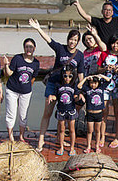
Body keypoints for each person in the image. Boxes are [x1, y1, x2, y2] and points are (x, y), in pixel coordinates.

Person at [29, 18, 84, 152]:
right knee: (47, 113)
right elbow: (49, 40)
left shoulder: (80, 55)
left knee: (64, 114)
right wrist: (38, 28)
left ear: (78, 42)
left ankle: (61, 140)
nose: (72, 42)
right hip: (54, 84)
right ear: (68, 39)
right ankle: (41, 141)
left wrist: (81, 90)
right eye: (71, 39)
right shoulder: (60, 49)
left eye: (75, 40)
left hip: (69, 88)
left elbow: (81, 75)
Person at [3, 38, 40, 143]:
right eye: (27, 46)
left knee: (23, 115)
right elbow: (8, 73)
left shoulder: (36, 63)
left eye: (31, 47)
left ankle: (21, 136)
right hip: (12, 90)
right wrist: (6, 65)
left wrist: (27, 88)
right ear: (24, 48)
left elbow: (33, 78)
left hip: (26, 92)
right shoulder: (17, 58)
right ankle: (10, 137)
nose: (29, 49)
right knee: (11, 114)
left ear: (34, 48)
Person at [99, 33, 118, 149]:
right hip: (104, 87)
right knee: (104, 113)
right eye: (114, 43)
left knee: (117, 113)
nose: (115, 45)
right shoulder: (104, 54)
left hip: (117, 87)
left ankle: (117, 136)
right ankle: (102, 137)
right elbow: (97, 69)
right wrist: (106, 68)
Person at [49, 66, 82, 156]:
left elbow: (75, 98)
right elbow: (56, 97)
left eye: (70, 76)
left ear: (73, 76)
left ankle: (72, 148)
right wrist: (51, 96)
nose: (67, 78)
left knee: (71, 130)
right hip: (61, 110)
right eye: (65, 76)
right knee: (61, 130)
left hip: (71, 110)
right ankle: (61, 147)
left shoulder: (74, 85)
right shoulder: (58, 85)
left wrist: (79, 97)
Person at [78, 74, 110, 154]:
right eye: (91, 83)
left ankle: (97, 146)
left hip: (98, 113)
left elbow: (108, 80)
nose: (93, 85)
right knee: (90, 130)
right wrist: (85, 78)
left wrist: (101, 76)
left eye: (95, 83)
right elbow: (79, 86)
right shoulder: (87, 89)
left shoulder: (101, 88)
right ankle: (88, 146)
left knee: (97, 130)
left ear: (98, 83)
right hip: (90, 114)